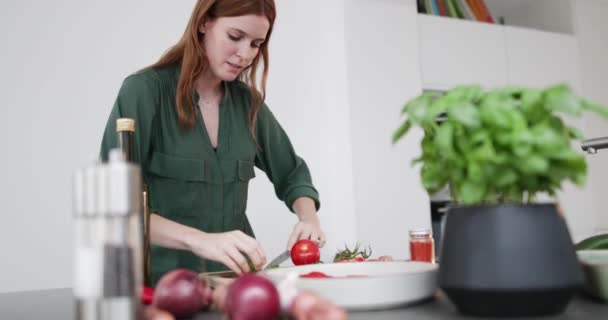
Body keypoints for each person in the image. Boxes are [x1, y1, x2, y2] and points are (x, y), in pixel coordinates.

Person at [100, 0, 325, 285]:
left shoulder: (248, 105)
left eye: (256, 44)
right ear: (204, 22)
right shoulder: (143, 92)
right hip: (161, 290)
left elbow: (293, 174)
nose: (245, 55)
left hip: (236, 288)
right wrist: (199, 241)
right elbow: (114, 206)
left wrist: (308, 219)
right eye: (235, 37)